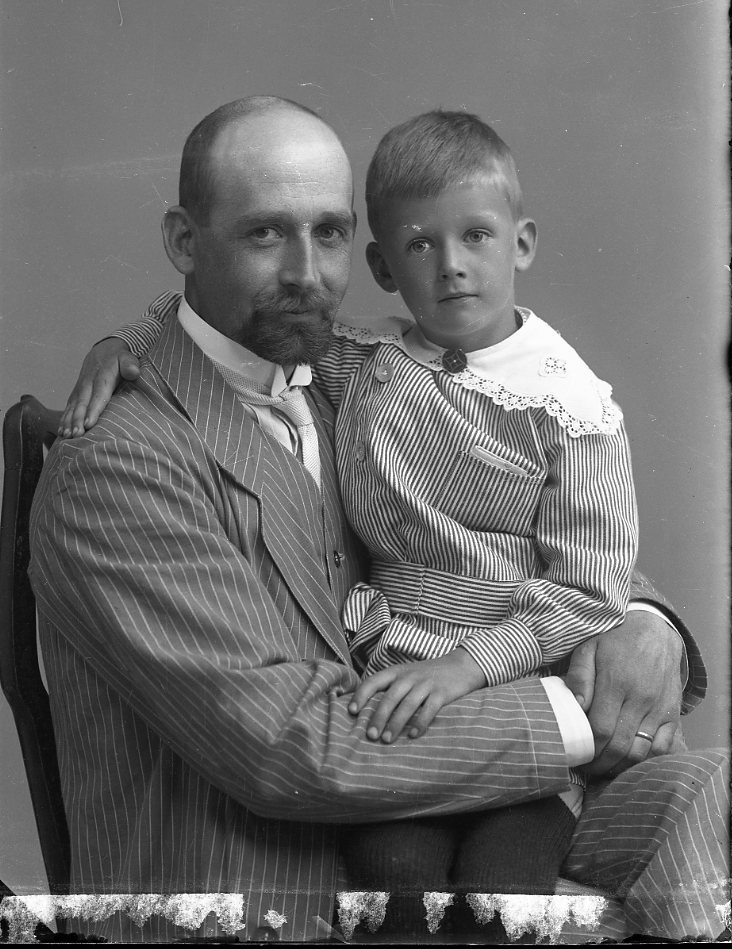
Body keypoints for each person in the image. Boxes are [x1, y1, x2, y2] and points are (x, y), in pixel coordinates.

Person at [45, 97, 727, 943]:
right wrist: (578, 713)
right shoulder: (118, 461)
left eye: (329, 232)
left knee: (711, 799)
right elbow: (290, 748)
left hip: (439, 804)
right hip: (265, 892)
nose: (306, 272)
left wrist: (641, 617)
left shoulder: (339, 379)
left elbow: (495, 515)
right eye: (265, 233)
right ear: (185, 242)